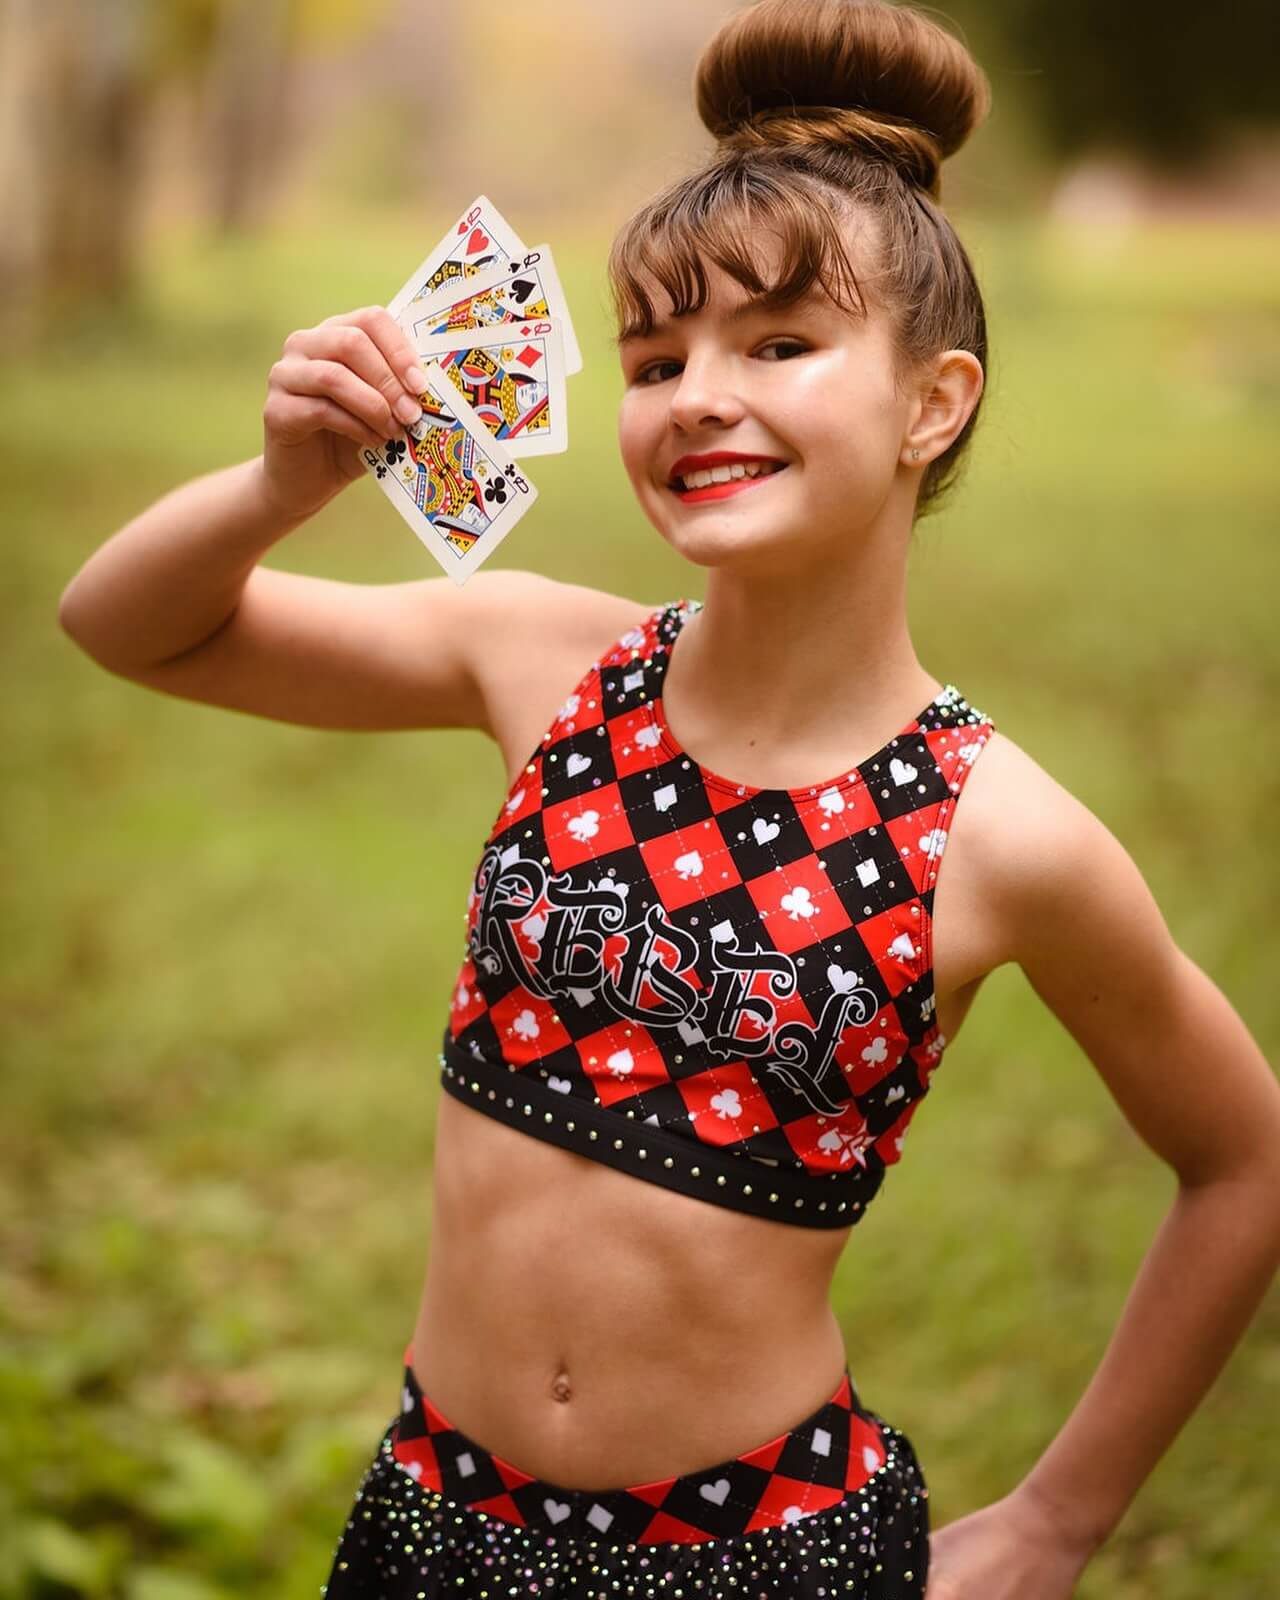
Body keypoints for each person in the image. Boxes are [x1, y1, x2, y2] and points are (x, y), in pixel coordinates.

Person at [57, 1, 1280, 1596]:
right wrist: (285, 484)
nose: (698, 394)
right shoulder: (544, 661)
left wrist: (1056, 1520)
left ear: (934, 401)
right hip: (437, 1521)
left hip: (764, 1557)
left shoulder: (1003, 836)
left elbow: (1242, 1160)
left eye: (778, 346)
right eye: (656, 357)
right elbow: (129, 624)